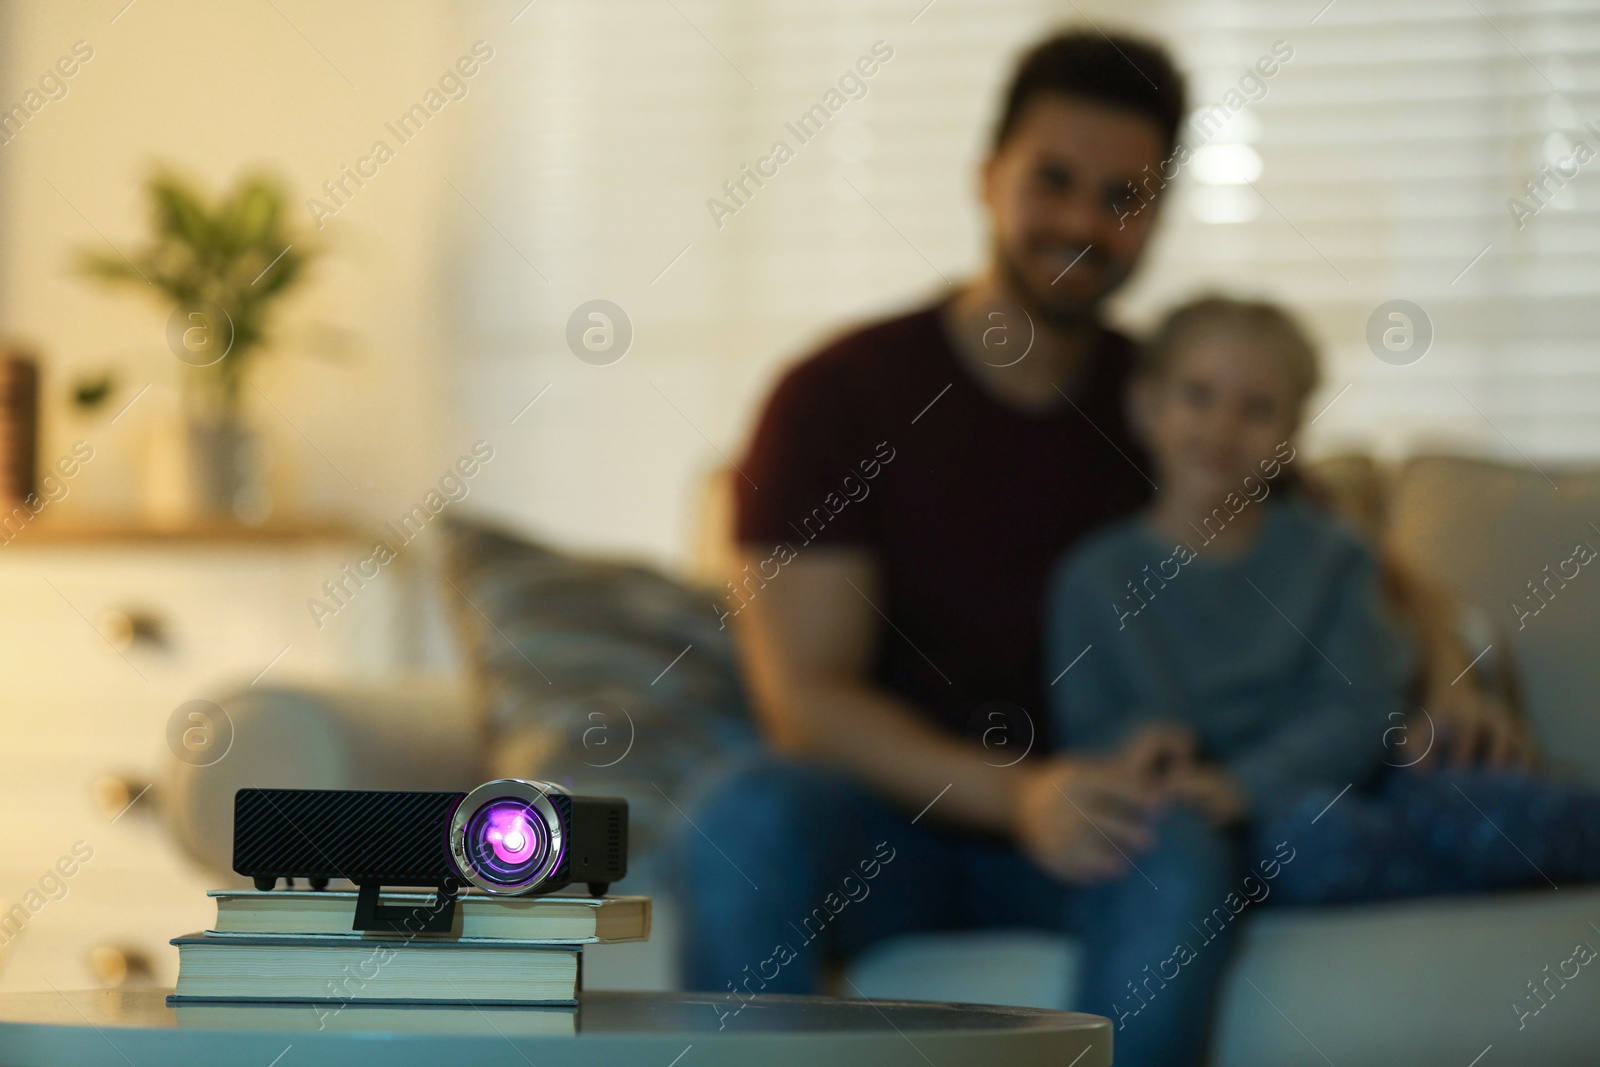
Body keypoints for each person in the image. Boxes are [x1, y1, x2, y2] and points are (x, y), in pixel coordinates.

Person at [672, 28, 1522, 1067]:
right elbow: (803, 699)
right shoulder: (837, 398)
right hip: (886, 828)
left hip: (1108, 826)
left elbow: (1365, 565)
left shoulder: (1177, 405)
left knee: (1177, 845)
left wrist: (1455, 673)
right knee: (742, 810)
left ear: (1156, 213)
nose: (1082, 220)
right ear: (989, 178)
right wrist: (1019, 795)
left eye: (1121, 195)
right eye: (1054, 180)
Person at [1046, 296, 1600, 1028]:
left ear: (1290, 436)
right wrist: (1144, 752)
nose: (1221, 428)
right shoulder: (1097, 576)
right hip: (1244, 826)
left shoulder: (1330, 553)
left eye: (1257, 409)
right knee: (1307, 839)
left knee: (1504, 807)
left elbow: (1360, 705)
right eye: (1198, 396)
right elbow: (1089, 715)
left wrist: (1245, 781)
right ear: (1146, 405)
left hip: (1368, 776)